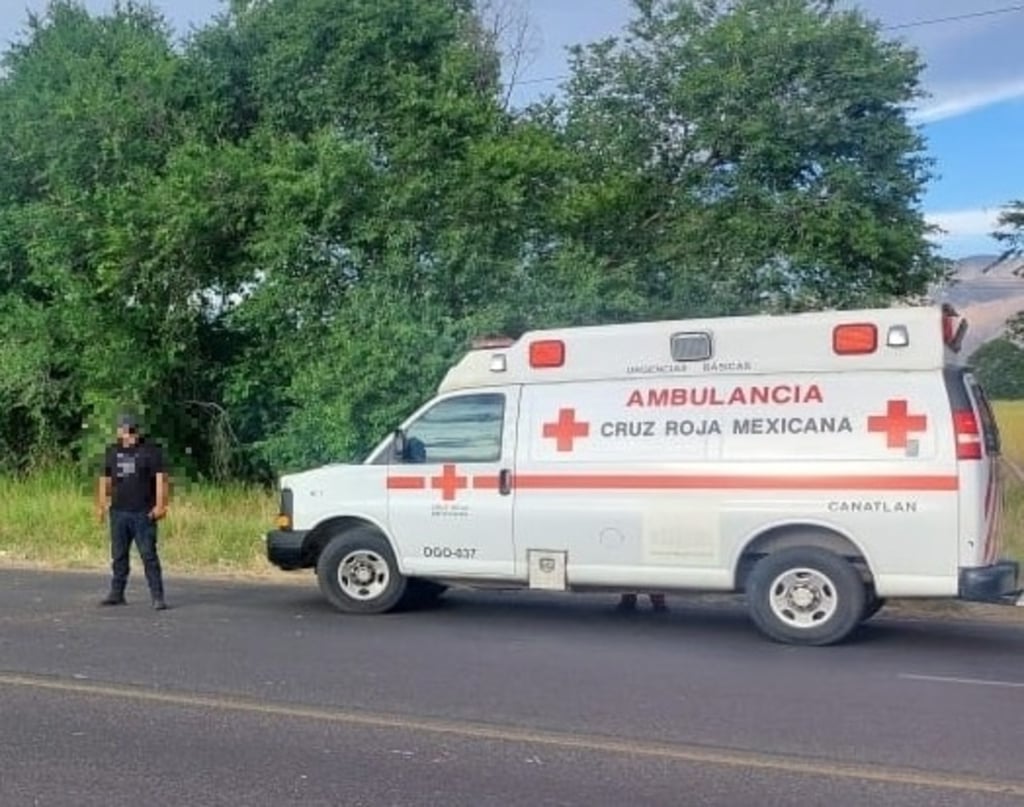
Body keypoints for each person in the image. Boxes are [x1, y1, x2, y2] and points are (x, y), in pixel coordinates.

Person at [95, 413, 170, 610]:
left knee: (148, 555)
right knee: (118, 555)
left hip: (142, 513)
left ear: (136, 431)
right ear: (120, 432)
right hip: (119, 511)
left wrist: (161, 505)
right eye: (124, 431)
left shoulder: (149, 451)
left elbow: (161, 479)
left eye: (131, 431)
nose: (128, 435)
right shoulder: (113, 452)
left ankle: (157, 596)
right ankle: (117, 593)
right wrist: (102, 504)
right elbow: (105, 479)